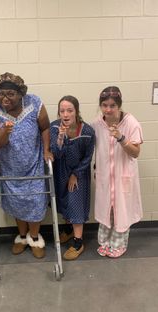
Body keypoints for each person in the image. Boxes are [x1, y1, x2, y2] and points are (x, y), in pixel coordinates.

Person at [0, 72, 53, 258]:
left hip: (34, 163)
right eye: (1, 94)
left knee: (35, 201)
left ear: (20, 94)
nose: (5, 98)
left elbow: (45, 127)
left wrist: (47, 150)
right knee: (16, 202)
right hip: (9, 166)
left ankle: (35, 237)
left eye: (10, 94)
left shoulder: (34, 103)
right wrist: (6, 131)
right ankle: (22, 237)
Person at [91, 86, 143, 258]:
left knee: (121, 210)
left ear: (119, 106)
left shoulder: (131, 123)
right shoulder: (97, 124)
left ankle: (118, 244)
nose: (108, 109)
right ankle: (105, 242)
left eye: (112, 105)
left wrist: (121, 138)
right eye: (104, 105)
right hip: (105, 176)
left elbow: (135, 153)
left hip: (123, 175)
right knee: (107, 209)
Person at [50, 95, 95, 260]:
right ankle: (69, 231)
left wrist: (76, 174)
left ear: (76, 111)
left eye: (69, 110)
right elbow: (55, 152)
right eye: (62, 111)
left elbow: (88, 157)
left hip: (79, 173)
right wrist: (61, 136)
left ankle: (78, 242)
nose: (65, 114)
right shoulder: (54, 127)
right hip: (60, 170)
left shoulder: (88, 131)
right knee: (64, 202)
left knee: (75, 203)